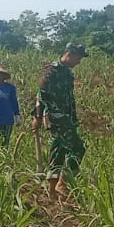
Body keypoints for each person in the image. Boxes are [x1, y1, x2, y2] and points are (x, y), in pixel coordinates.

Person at [32, 43, 86, 195]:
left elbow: (69, 99)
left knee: (58, 151)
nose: (79, 61)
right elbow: (41, 95)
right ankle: (63, 183)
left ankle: (52, 193)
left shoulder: (68, 74)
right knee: (77, 148)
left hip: (66, 118)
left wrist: (73, 119)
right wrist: (37, 117)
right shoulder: (52, 71)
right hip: (56, 118)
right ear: (69, 54)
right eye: (78, 57)